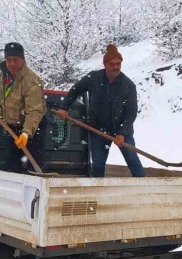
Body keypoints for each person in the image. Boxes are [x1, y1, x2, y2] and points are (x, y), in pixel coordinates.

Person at [55, 44, 145, 177]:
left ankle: (144, 189)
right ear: (105, 64)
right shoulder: (94, 78)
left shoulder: (128, 85)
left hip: (122, 130)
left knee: (132, 160)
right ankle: (98, 190)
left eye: (118, 64)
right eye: (112, 64)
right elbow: (75, 90)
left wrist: (122, 133)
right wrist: (64, 108)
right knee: (98, 164)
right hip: (98, 130)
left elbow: (131, 112)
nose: (116, 67)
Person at [0, 42, 47, 173]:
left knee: (33, 165)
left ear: (23, 60)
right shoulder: (5, 73)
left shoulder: (31, 82)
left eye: (15, 60)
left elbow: (35, 112)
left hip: (33, 127)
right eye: (8, 60)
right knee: (11, 165)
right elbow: (3, 92)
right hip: (13, 125)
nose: (11, 64)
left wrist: (26, 133)